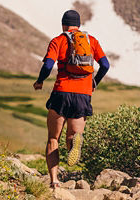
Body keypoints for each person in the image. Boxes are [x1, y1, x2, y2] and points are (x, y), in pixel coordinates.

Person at [32, 10, 110, 188]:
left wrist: (40, 81)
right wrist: (94, 83)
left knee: (53, 138)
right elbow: (105, 65)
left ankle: (54, 181)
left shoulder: (58, 40)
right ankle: (75, 142)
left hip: (61, 93)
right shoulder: (91, 41)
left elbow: (48, 65)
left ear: (63, 24)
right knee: (73, 137)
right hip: (83, 95)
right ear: (79, 25)